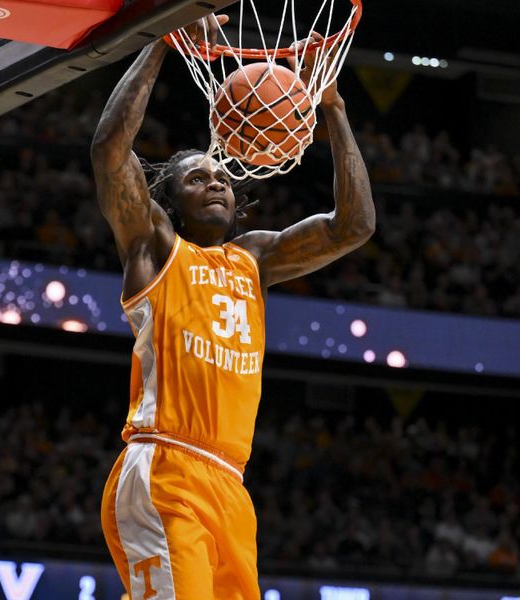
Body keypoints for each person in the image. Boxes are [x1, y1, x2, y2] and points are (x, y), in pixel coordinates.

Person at [91, 15, 375, 600]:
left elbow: (354, 226)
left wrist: (336, 112)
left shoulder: (255, 259)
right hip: (164, 467)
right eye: (196, 179)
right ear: (169, 201)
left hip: (229, 483)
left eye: (220, 176)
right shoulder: (156, 247)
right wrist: (161, 38)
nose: (216, 183)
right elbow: (109, 150)